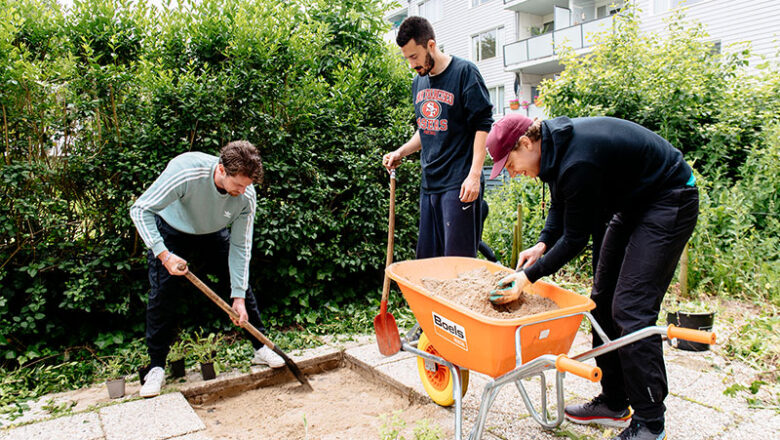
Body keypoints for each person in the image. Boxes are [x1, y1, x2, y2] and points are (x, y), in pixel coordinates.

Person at [486, 114, 698, 440]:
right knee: (600, 301)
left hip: (670, 198)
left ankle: (650, 422)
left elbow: (575, 240)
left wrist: (527, 277)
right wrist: (542, 244)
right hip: (632, 205)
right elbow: (561, 206)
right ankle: (615, 402)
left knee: (631, 308)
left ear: (526, 143)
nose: (511, 172)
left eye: (509, 163)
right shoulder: (554, 151)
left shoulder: (577, 159)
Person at [130, 141, 284, 398]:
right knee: (163, 295)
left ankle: (261, 347)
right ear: (222, 170)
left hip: (213, 233)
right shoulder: (186, 171)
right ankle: (156, 366)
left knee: (241, 288)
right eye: (238, 185)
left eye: (248, 185)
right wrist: (164, 254)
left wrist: (238, 296)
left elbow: (241, 247)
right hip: (171, 231)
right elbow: (140, 209)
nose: (244, 191)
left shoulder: (246, 194)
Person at [382, 16, 494, 259]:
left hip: (460, 184)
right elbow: (426, 128)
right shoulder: (418, 82)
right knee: (429, 262)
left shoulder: (465, 73)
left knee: (457, 264)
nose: (411, 64)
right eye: (406, 58)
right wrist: (401, 152)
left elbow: (483, 124)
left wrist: (475, 176)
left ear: (430, 45)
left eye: (414, 56)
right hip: (430, 183)